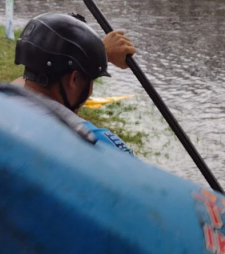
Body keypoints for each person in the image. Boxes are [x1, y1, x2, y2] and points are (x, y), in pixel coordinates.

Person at [9, 13, 137, 154]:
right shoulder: (96, 141)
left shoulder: (1, 102)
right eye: (92, 78)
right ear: (74, 80)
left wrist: (99, 54)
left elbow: (22, 84)